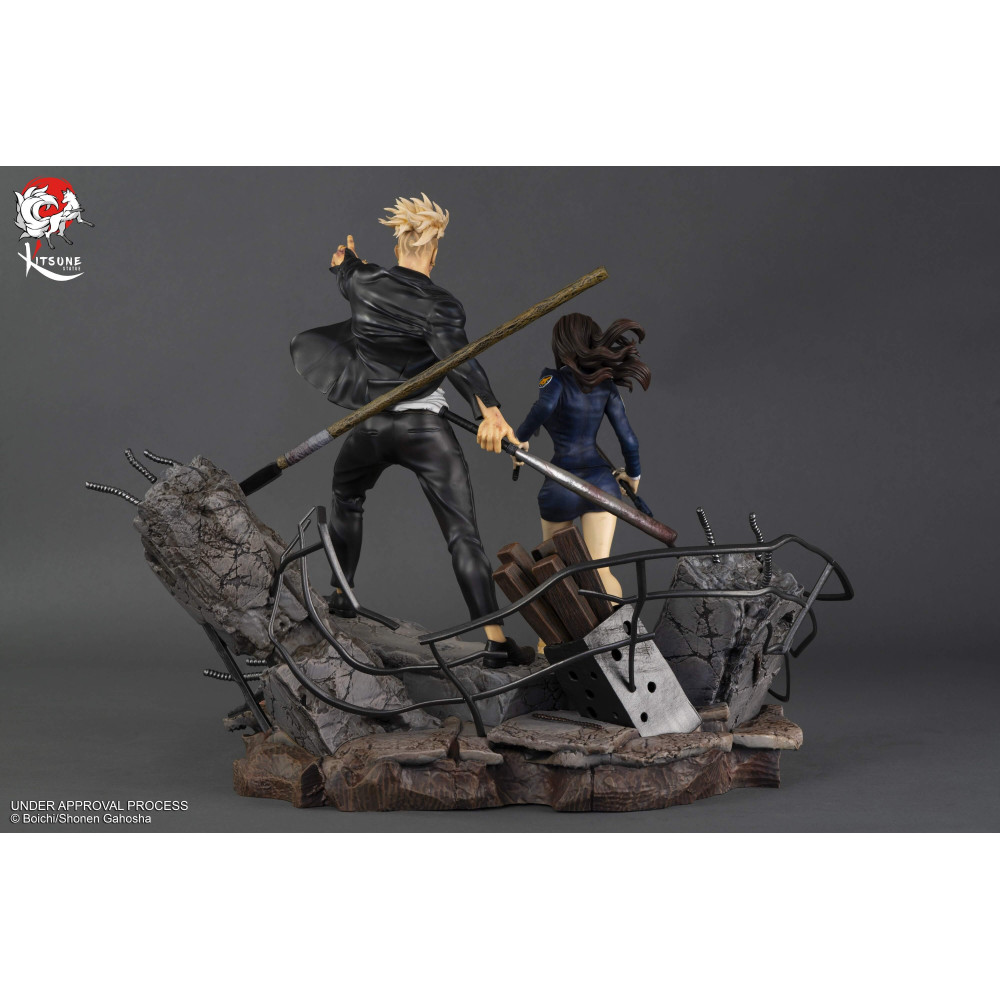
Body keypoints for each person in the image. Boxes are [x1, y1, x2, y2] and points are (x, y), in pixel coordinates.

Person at [290, 194, 533, 667]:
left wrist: (345, 260)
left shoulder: (363, 282)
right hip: (425, 431)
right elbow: (460, 360)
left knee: (347, 494)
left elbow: (347, 271)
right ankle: (495, 642)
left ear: (397, 244)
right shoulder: (441, 305)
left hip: (370, 426)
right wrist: (491, 413)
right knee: (462, 534)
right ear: (434, 251)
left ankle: (341, 592)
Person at [515, 312, 651, 610]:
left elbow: (544, 407)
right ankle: (622, 634)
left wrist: (519, 439)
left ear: (560, 343)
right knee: (600, 572)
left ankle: (558, 636)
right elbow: (629, 439)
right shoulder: (605, 386)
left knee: (555, 572)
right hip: (600, 485)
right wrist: (633, 476)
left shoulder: (552, 378)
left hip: (560, 484)